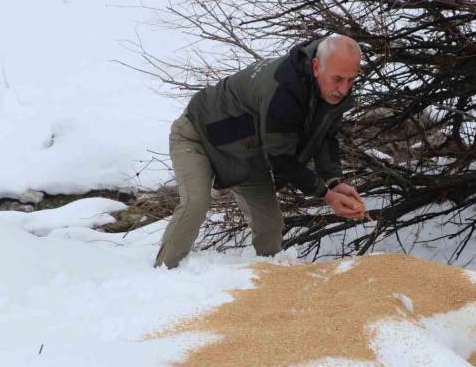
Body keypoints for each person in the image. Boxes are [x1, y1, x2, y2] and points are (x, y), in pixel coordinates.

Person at [154, 35, 366, 269]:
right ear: (316, 66)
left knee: (270, 226)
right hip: (197, 136)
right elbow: (281, 158)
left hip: (244, 153)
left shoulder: (330, 90)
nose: (344, 89)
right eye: (338, 79)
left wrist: (333, 181)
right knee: (196, 205)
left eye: (351, 80)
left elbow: (326, 135)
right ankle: (162, 276)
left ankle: (270, 289)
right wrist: (325, 194)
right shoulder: (283, 89)